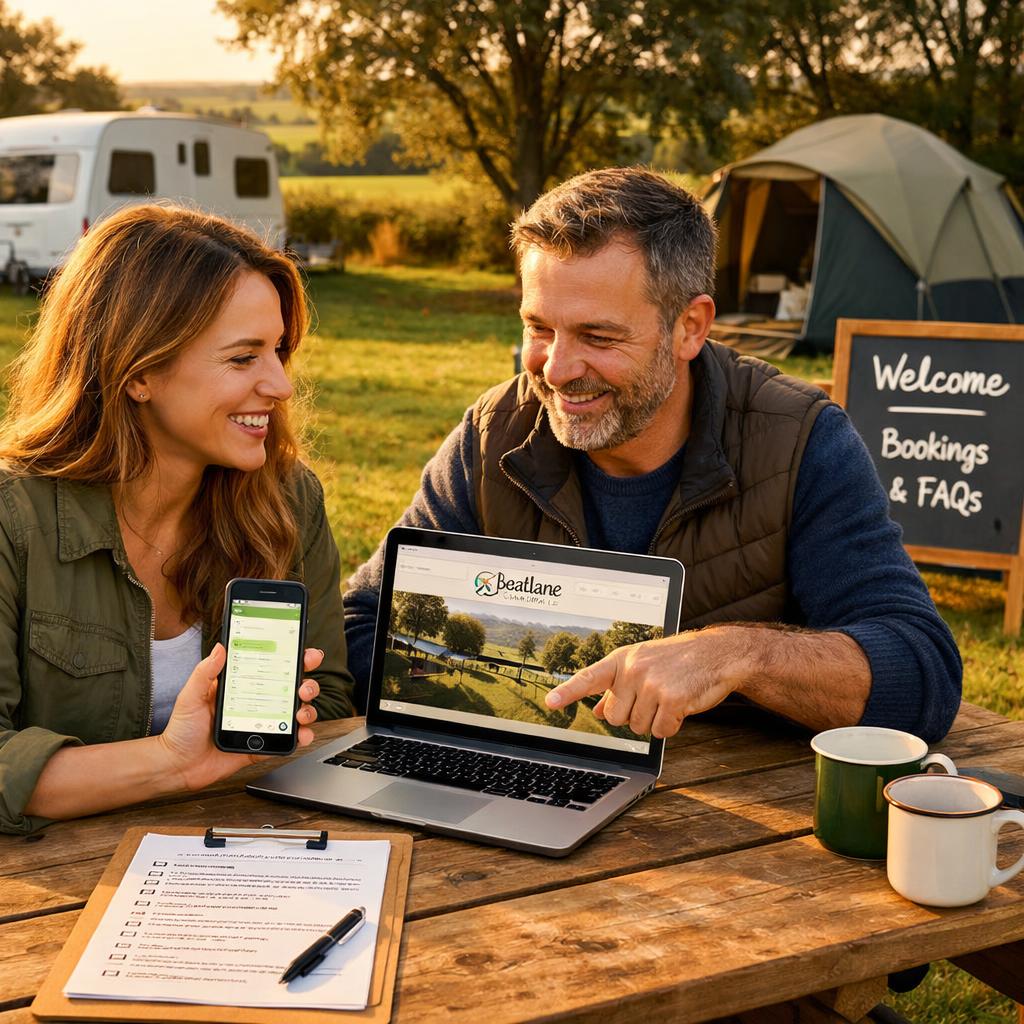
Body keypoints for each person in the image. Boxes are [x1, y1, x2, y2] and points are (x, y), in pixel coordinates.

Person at [344, 167, 962, 742]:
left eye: (598, 336)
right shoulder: (493, 435)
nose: (556, 369)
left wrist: (737, 654)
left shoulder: (800, 441)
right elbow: (364, 623)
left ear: (690, 327)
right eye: (539, 328)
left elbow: (922, 675)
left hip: (743, 810)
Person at [0, 204, 355, 835]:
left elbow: (326, 698)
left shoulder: (289, 499)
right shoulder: (13, 518)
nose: (280, 384)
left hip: (238, 845)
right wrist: (171, 763)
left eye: (278, 351)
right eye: (243, 358)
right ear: (140, 373)